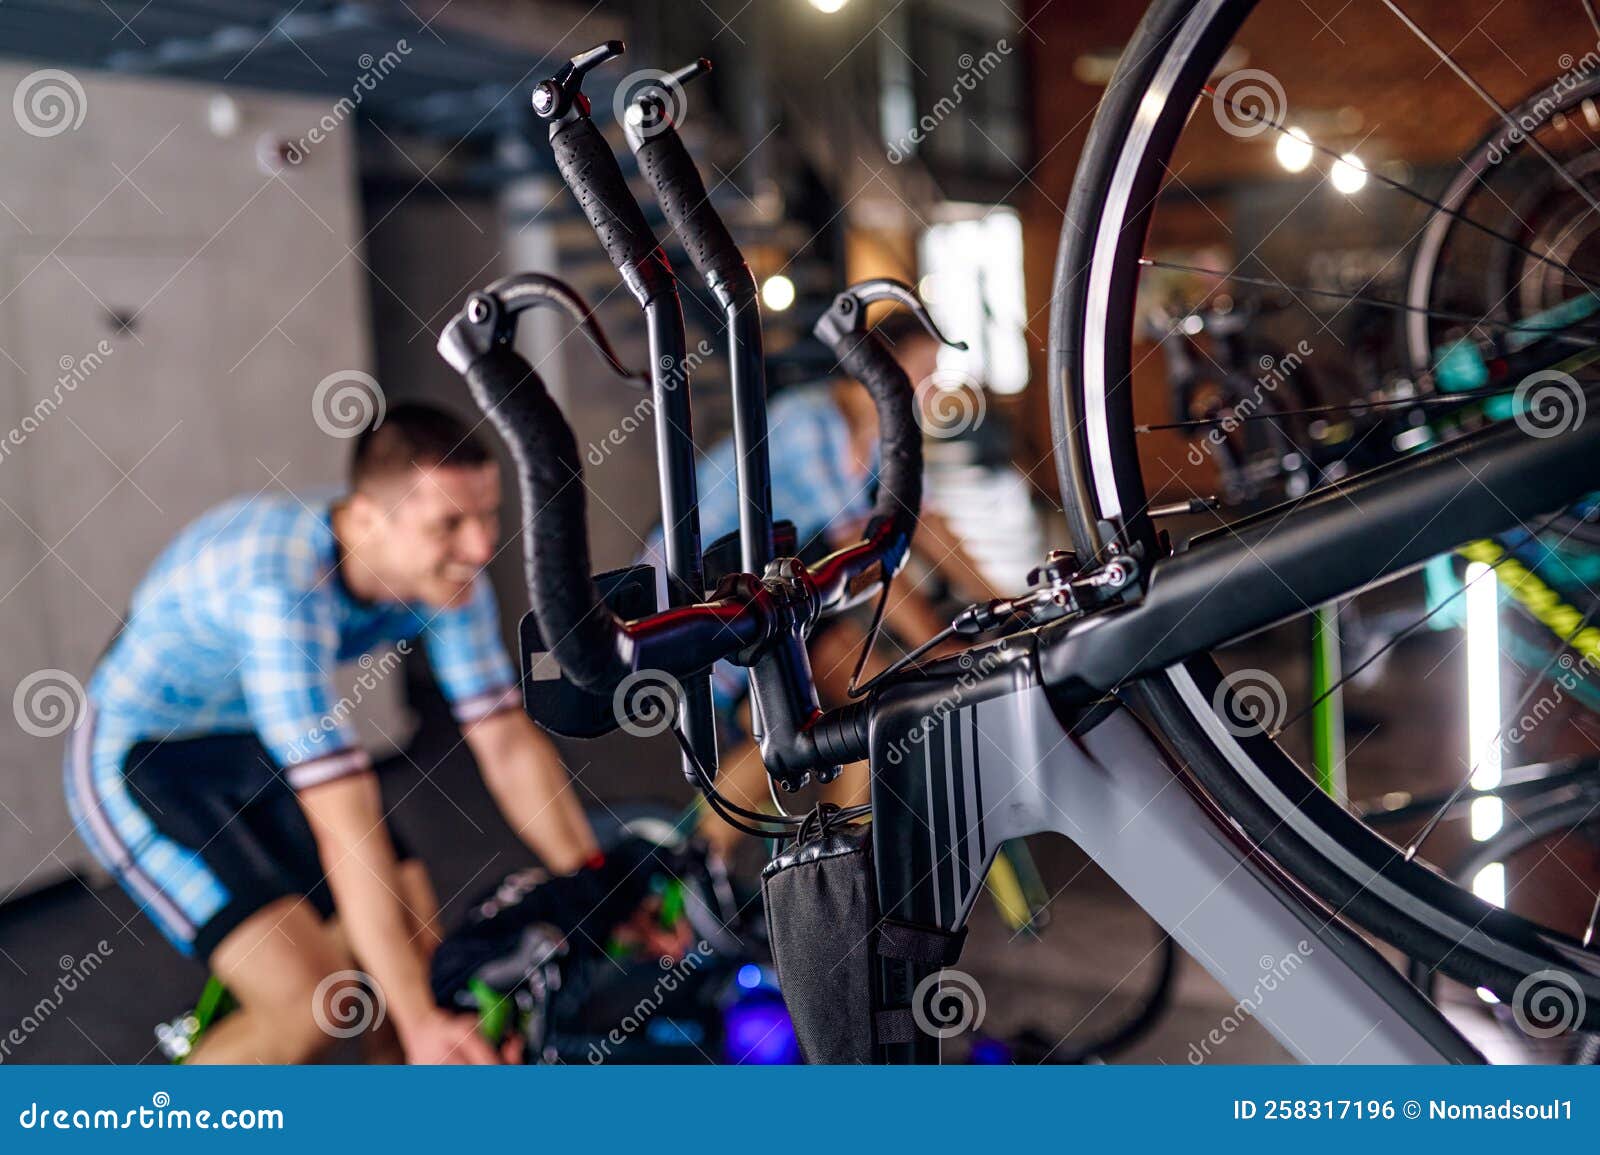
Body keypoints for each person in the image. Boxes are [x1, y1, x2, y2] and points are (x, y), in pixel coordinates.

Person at [66, 403, 657, 1065]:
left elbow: (505, 741)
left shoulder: (444, 574)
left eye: (488, 515)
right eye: (450, 523)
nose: (480, 547)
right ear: (371, 520)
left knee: (423, 972)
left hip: (250, 743)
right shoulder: (282, 592)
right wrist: (418, 1018)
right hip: (141, 759)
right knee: (312, 1006)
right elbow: (344, 822)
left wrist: (599, 889)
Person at [641, 313, 1005, 855]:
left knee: (873, 703)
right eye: (924, 370)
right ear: (879, 366)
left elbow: (924, 523)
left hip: (773, 597)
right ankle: (687, 865)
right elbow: (862, 554)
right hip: (694, 599)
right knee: (790, 721)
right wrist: (937, 642)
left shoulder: (879, 437)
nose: (935, 388)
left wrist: (1002, 601)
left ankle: (835, 863)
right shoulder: (808, 424)